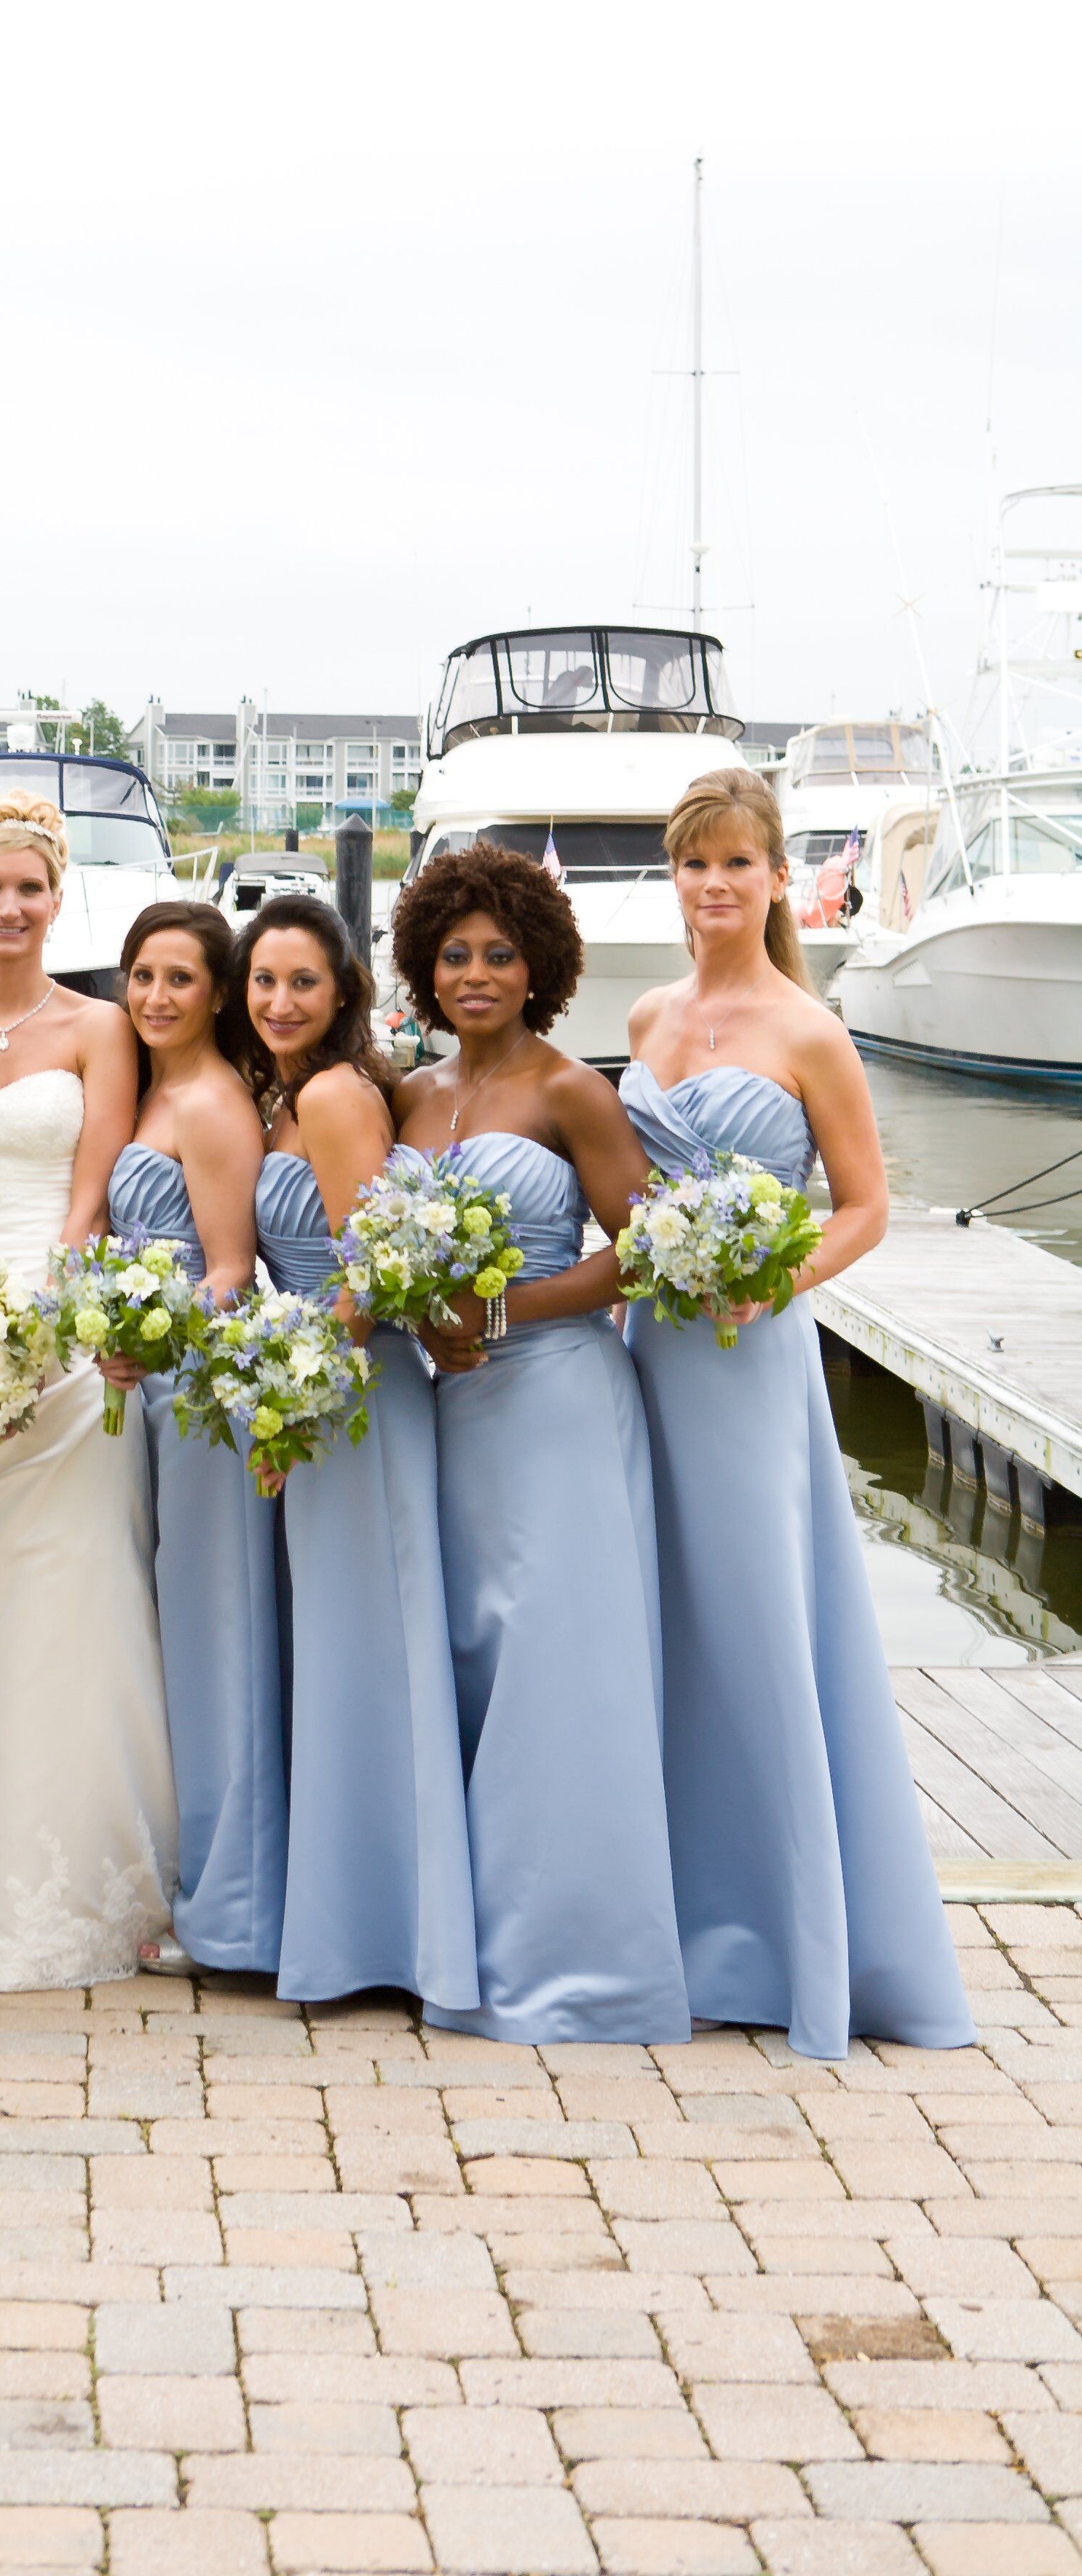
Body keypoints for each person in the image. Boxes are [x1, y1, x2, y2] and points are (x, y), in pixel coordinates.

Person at [623, 763, 973, 2057]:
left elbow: (865, 1207)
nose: (714, 885)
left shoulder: (809, 1032)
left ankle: (789, 1937)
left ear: (776, 879)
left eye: (736, 864)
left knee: (763, 1622)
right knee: (662, 1621)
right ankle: (673, 1918)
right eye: (693, 863)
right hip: (648, 1349)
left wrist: (772, 1279)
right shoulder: (653, 1013)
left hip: (750, 1356)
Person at [389, 848, 689, 2044]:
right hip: (450, 1406)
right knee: (469, 1652)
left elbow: (644, 1248)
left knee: (554, 1670)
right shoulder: (407, 1096)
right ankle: (465, 1931)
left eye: (498, 954)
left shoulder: (574, 1092)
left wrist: (504, 1312)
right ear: (423, 965)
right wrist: (421, 1313)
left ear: (540, 967)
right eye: (454, 954)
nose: (474, 974)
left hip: (557, 1400)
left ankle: (573, 1958)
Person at [0, 789, 178, 1988]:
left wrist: (49, 1331)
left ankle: (99, 1879)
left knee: (80, 1604)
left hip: (69, 1351)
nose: (9, 908)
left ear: (60, 902)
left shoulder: (101, 1031)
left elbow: (91, 1200)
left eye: (29, 888)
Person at [230, 897, 478, 2012]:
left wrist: (285, 1399)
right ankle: (354, 1922)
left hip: (357, 1400)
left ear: (342, 996)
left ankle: (395, 1938)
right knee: (342, 1661)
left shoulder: (331, 1096)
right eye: (264, 981)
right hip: (327, 1395)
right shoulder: (283, 1096)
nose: (279, 1002)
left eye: (302, 984)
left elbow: (372, 1275)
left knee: (372, 1660)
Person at [101, 902, 273, 1975]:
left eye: (180, 979)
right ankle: (187, 1870)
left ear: (218, 991)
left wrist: (149, 1333)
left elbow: (232, 1270)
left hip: (201, 1392)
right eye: (142, 976)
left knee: (216, 1636)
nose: (157, 997)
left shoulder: (211, 1105)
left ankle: (236, 1907)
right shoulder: (146, 1083)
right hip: (151, 1383)